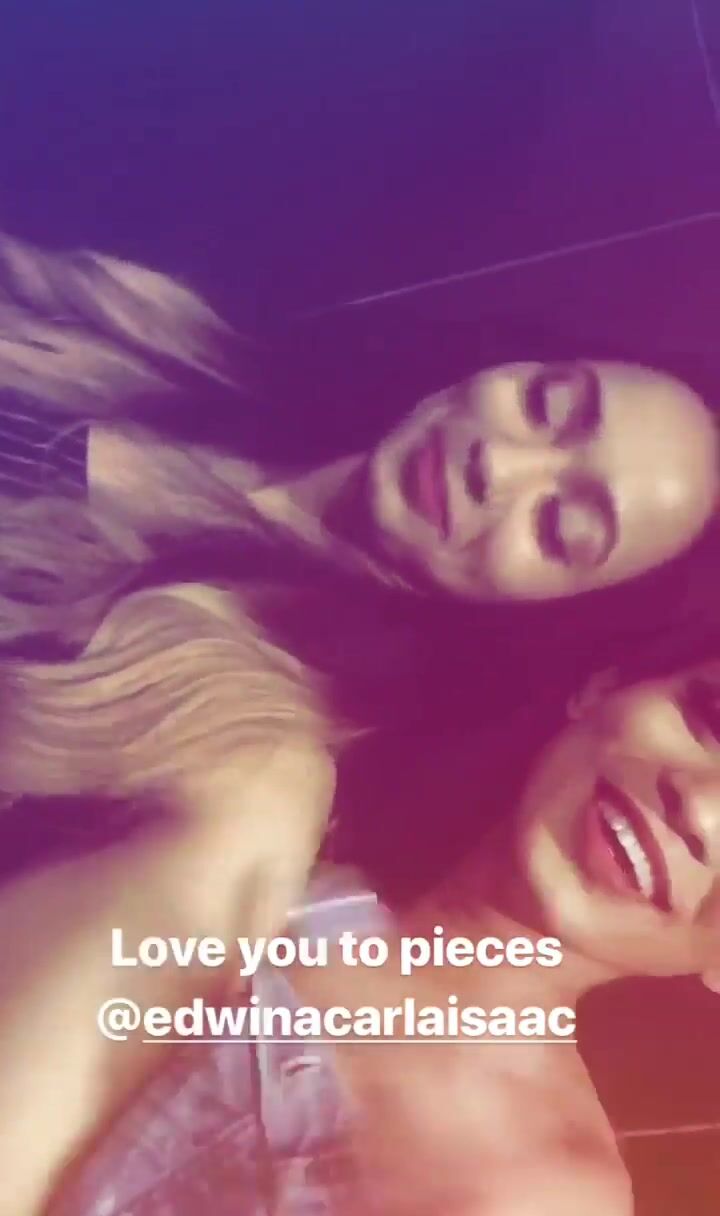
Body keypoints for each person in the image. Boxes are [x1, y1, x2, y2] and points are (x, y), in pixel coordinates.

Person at [10, 620, 720, 1216]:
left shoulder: (545, 1193)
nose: (701, 811)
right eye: (713, 721)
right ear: (605, 686)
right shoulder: (269, 782)